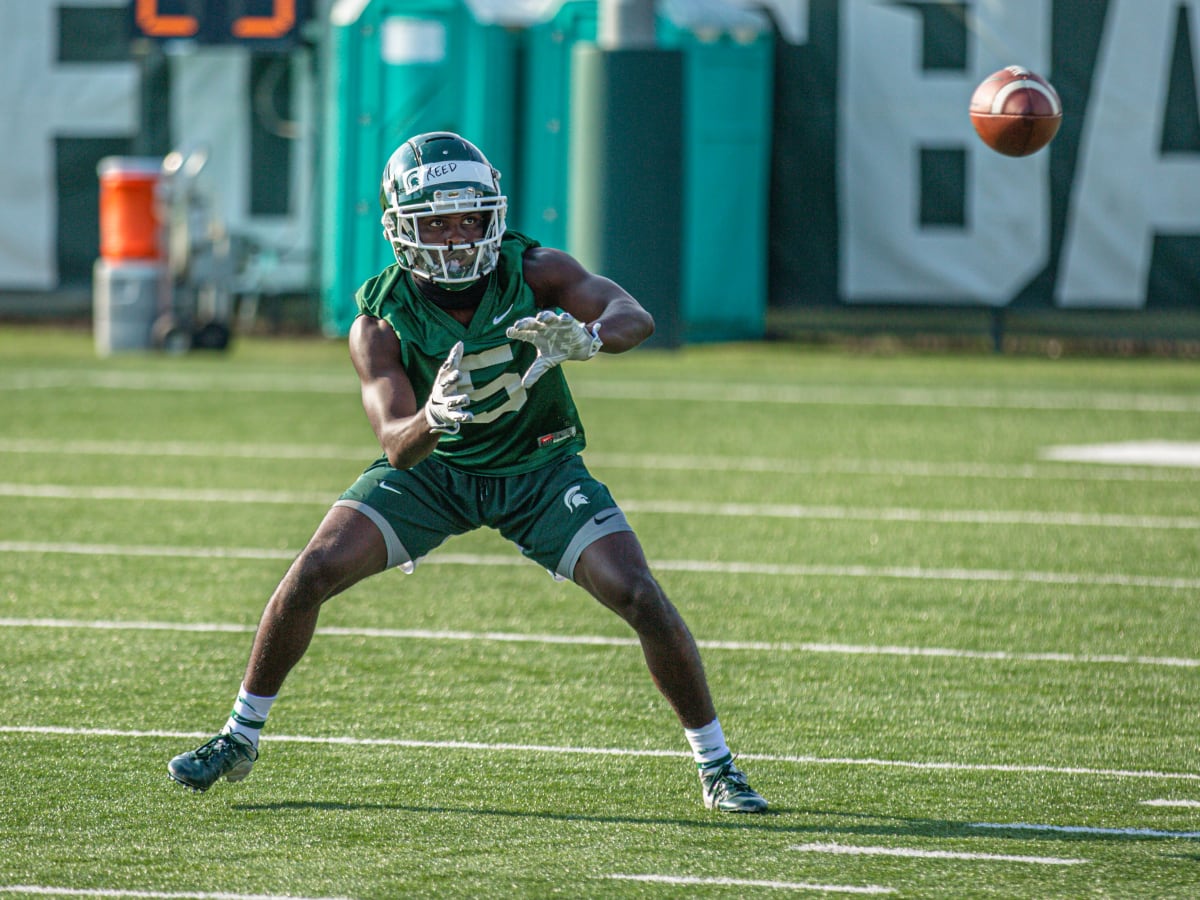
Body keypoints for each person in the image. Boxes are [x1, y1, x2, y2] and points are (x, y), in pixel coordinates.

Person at [167, 131, 767, 814]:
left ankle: (718, 766)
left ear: (494, 217)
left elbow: (634, 313)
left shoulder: (535, 269)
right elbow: (397, 444)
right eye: (437, 222)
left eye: (469, 219)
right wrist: (433, 417)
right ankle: (239, 735)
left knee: (637, 593)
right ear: (402, 229)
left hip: (537, 466)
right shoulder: (381, 319)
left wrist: (593, 337)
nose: (456, 237)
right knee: (311, 572)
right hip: (437, 474)